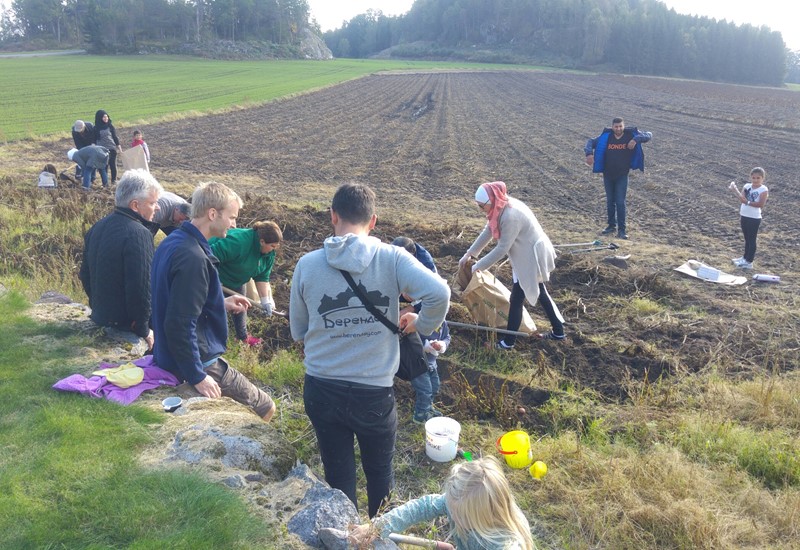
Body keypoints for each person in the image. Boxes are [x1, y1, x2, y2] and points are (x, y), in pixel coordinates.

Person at [290, 182, 450, 518]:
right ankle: (378, 535)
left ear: (332, 216)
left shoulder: (306, 264)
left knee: (338, 476)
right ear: (373, 221)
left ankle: (345, 534)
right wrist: (419, 325)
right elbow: (440, 294)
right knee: (380, 474)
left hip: (321, 388)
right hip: (373, 394)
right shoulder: (392, 258)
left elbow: (298, 330)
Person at [151, 182, 276, 422]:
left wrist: (222, 302)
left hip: (168, 353)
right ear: (212, 213)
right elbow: (179, 323)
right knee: (265, 407)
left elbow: (177, 297)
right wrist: (197, 375)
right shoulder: (194, 258)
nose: (233, 224)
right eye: (231, 217)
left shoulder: (172, 242)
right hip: (201, 360)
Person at [459, 181, 564, 349]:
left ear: (491, 200)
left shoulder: (510, 216)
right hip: (524, 255)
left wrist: (478, 266)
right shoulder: (499, 207)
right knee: (537, 293)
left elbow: (502, 249)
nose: (481, 210)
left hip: (532, 256)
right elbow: (489, 230)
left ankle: (508, 342)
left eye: (481, 206)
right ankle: (558, 331)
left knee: (517, 298)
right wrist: (470, 254)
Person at [350, 456, 535, 550]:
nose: (451, 515)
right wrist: (376, 527)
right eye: (451, 508)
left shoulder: (505, 546)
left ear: (482, 517)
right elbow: (424, 506)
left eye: (458, 515)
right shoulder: (462, 502)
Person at [78, 169, 163, 349]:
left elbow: (85, 274)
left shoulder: (98, 226)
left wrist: (99, 308)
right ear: (135, 205)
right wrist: (143, 328)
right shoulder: (139, 233)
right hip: (127, 325)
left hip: (102, 316)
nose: (158, 207)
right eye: (153, 202)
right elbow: (141, 288)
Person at [391, 236, 449, 424]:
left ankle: (427, 407)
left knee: (433, 385)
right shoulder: (387, 257)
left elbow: (435, 295)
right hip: (418, 360)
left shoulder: (426, 265)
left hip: (428, 358)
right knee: (424, 386)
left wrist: (414, 308)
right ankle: (421, 413)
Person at [209, 221, 283, 346]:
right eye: (272, 246)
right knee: (216, 309)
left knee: (242, 305)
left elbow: (262, 276)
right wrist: (213, 279)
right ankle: (215, 340)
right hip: (215, 277)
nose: (274, 250)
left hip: (237, 279)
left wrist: (265, 301)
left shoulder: (268, 253)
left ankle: (242, 337)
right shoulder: (238, 242)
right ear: (262, 242)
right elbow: (209, 255)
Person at [584, 117, 652, 240]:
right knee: (610, 201)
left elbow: (649, 135)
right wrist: (589, 153)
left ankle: (622, 230)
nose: (618, 129)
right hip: (608, 174)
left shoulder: (630, 135)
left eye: (620, 126)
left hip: (622, 174)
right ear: (612, 127)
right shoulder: (606, 137)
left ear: (623, 126)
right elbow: (590, 142)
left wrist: (636, 140)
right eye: (616, 127)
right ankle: (611, 226)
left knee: (620, 202)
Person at [730, 167, 769, 270]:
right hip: (744, 215)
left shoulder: (763, 189)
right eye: (753, 177)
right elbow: (742, 198)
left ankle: (749, 262)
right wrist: (735, 190)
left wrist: (747, 202)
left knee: (752, 239)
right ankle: (744, 258)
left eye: (758, 178)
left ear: (762, 178)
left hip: (754, 218)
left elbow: (761, 204)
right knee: (746, 238)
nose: (755, 180)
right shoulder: (747, 186)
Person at [93, 109, 121, 184]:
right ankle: (105, 183)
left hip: (112, 148)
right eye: (104, 117)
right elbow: (94, 140)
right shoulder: (96, 128)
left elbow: (114, 137)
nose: (106, 118)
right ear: (99, 118)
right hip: (102, 150)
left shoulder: (110, 126)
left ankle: (114, 181)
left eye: (106, 117)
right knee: (104, 167)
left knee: (113, 165)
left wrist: (119, 147)